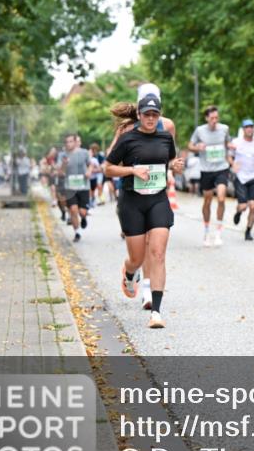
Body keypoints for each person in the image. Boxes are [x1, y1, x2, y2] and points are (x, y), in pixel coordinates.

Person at [104, 93, 183, 329]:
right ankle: (129, 272)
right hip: (132, 203)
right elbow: (108, 168)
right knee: (137, 258)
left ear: (159, 116)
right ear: (139, 115)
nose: (150, 118)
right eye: (146, 114)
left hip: (158, 200)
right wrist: (132, 171)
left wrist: (176, 167)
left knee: (158, 254)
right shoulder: (128, 138)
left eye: (154, 114)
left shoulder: (165, 137)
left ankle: (156, 312)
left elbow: (170, 162)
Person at [188, 106, 233, 246]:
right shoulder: (200, 131)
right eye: (212, 118)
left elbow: (227, 143)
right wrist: (197, 147)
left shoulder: (224, 129)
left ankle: (218, 232)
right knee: (207, 200)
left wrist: (231, 149)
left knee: (221, 198)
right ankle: (207, 230)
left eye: (216, 118)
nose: (214, 121)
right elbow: (190, 145)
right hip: (206, 169)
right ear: (206, 118)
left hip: (221, 168)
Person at [231, 119, 254, 241]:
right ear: (243, 129)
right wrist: (232, 164)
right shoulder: (236, 142)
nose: (249, 129)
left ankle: (248, 231)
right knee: (243, 206)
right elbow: (229, 156)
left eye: (251, 127)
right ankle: (238, 212)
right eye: (247, 127)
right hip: (241, 177)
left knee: (253, 206)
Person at [59, 134, 91, 243]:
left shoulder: (84, 153)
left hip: (83, 186)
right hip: (70, 187)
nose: (68, 144)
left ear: (75, 141)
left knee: (82, 212)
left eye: (70, 141)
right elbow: (60, 173)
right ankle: (77, 232)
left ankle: (84, 217)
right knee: (73, 210)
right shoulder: (62, 155)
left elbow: (90, 164)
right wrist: (63, 164)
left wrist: (89, 171)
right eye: (66, 142)